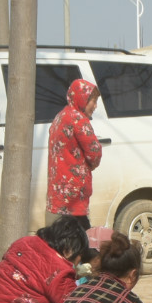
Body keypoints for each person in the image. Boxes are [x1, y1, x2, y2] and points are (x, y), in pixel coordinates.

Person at [46, 78, 103, 229]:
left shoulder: (60, 117)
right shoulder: (78, 119)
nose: (95, 106)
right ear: (83, 99)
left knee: (61, 234)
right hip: (74, 194)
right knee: (81, 235)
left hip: (58, 193)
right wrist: (92, 165)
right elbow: (94, 152)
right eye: (93, 101)